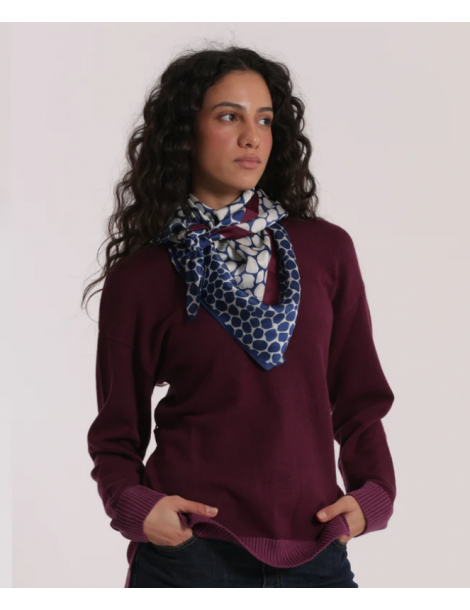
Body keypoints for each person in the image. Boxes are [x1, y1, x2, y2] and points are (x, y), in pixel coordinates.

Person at [83, 44, 396, 588]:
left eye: (265, 120)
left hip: (315, 548)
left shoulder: (326, 251)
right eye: (230, 117)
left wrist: (374, 495)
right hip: (190, 554)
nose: (253, 136)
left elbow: (359, 394)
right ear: (186, 131)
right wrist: (136, 506)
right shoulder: (144, 275)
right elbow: (116, 430)